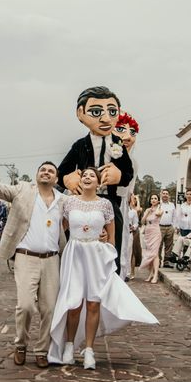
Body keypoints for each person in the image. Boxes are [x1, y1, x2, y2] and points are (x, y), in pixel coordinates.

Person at [48, 167, 158, 369]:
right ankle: (69, 345)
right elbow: (60, 228)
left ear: (99, 183)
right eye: (85, 175)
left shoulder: (105, 205)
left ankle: (89, 349)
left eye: (92, 175)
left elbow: (112, 238)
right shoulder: (69, 202)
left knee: (93, 303)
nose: (88, 177)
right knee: (73, 303)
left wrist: (106, 241)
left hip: (96, 256)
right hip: (75, 254)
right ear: (80, 181)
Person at [0, 155, 67, 369]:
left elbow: (82, 217)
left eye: (51, 171)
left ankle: (42, 350)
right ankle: (20, 344)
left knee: (49, 309)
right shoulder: (22, 190)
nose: (46, 172)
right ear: (37, 174)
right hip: (25, 256)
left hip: (52, 260)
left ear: (56, 178)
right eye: (43, 170)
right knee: (26, 306)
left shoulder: (63, 200)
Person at [58, 86, 134, 276]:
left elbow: (128, 173)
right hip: (81, 203)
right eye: (96, 112)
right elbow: (62, 172)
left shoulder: (118, 144)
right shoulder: (80, 145)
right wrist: (68, 178)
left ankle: (110, 286)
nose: (106, 118)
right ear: (81, 113)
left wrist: (119, 176)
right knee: (76, 246)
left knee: (110, 248)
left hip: (109, 203)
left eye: (112, 111)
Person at [113, 111, 140, 279]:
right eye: (121, 130)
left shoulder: (134, 163)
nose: (128, 137)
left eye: (132, 132)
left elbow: (129, 192)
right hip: (103, 202)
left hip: (121, 205)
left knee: (121, 247)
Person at [139, 194, 162, 283]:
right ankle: (150, 274)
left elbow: (158, 214)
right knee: (150, 253)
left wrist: (158, 206)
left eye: (155, 198)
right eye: (152, 198)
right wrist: (147, 212)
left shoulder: (159, 209)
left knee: (155, 254)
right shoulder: (147, 210)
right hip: (148, 233)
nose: (153, 200)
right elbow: (142, 221)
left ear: (158, 200)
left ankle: (155, 275)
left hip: (155, 232)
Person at [158, 189, 176, 268]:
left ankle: (166, 262)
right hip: (160, 227)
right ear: (161, 195)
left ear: (168, 196)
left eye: (167, 194)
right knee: (159, 245)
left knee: (169, 246)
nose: (165, 195)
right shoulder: (158, 205)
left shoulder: (172, 205)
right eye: (164, 193)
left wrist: (174, 226)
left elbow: (174, 216)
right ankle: (158, 261)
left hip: (169, 227)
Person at [128, 194, 141, 280]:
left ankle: (131, 272)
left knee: (131, 253)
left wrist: (134, 226)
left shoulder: (133, 211)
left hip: (130, 233)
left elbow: (136, 222)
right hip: (121, 233)